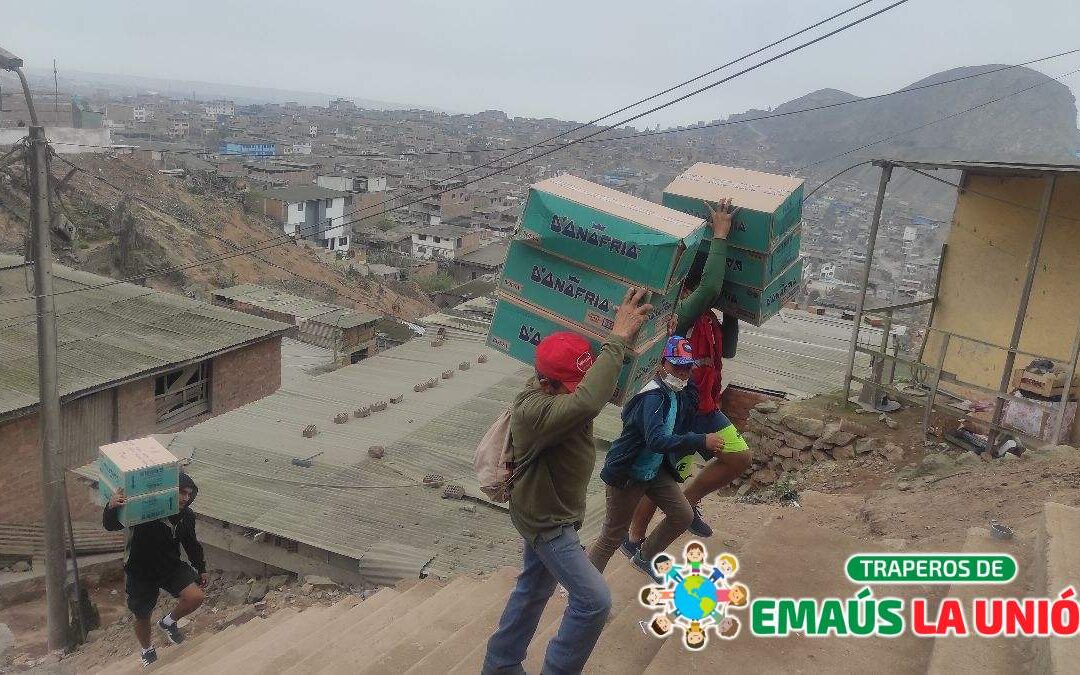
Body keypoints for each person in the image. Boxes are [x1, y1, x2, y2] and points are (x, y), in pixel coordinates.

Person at [482, 289, 652, 675]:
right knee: (594, 601)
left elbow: (586, 389)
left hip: (540, 508)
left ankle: (499, 664)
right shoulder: (539, 411)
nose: (582, 388)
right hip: (547, 522)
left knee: (533, 589)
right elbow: (589, 401)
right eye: (572, 384)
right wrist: (618, 338)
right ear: (547, 385)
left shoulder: (548, 383)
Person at [625, 198, 753, 548]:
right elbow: (710, 287)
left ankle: (690, 502)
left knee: (738, 457)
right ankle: (634, 538)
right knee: (662, 477)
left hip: (707, 408)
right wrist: (721, 234)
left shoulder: (706, 317)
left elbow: (726, 350)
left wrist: (734, 309)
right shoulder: (677, 315)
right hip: (679, 413)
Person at [586, 336, 726, 580]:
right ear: (661, 364)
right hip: (630, 472)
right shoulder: (651, 396)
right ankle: (582, 589)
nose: (682, 374)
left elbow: (692, 398)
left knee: (683, 515)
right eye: (676, 367)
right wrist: (701, 440)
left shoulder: (676, 391)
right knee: (612, 535)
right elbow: (657, 440)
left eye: (686, 368)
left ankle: (645, 557)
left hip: (654, 469)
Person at [104, 472, 207, 667]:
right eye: (181, 493)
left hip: (170, 566)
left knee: (196, 597)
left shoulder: (186, 516)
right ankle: (147, 649)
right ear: (168, 492)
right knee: (142, 614)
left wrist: (201, 568)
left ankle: (168, 622)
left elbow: (191, 544)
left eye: (189, 494)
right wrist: (111, 507)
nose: (185, 498)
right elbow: (110, 525)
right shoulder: (144, 511)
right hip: (140, 570)